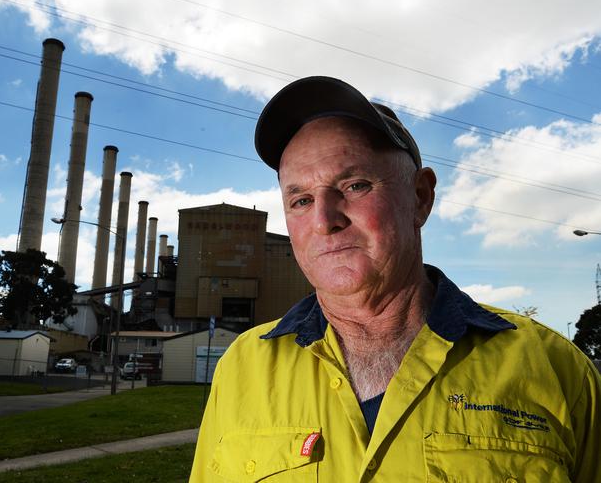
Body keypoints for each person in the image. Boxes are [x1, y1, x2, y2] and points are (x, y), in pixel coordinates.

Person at [190, 76, 601, 482]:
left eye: (355, 185)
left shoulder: (558, 370)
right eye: (301, 200)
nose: (324, 221)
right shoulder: (240, 369)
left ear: (420, 197)